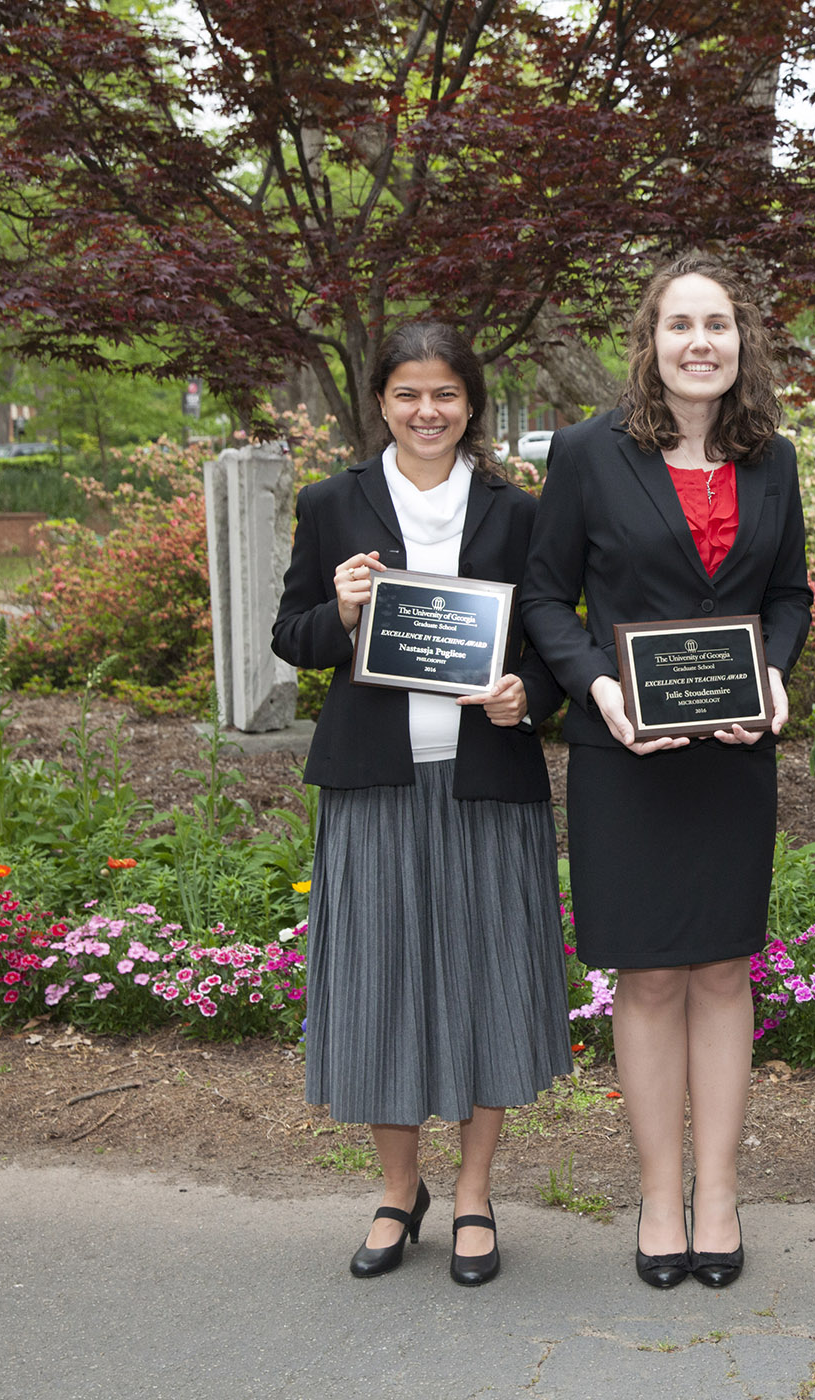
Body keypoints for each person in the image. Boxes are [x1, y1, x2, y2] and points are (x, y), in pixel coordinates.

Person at [520, 252, 809, 1291]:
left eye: (719, 324)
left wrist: (773, 676)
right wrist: (600, 689)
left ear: (742, 341)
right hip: (627, 758)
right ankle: (655, 1195)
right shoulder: (589, 454)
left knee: (725, 970)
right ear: (649, 340)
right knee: (646, 976)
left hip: (732, 759)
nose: (701, 342)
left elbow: (787, 594)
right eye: (681, 323)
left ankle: (720, 1193)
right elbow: (548, 597)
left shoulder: (770, 458)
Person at [271, 320, 573, 1288]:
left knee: (489, 979)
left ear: (472, 403)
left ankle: (478, 1190)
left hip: (486, 779)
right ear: (382, 403)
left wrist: (531, 694)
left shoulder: (519, 512)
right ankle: (400, 1190)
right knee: (380, 982)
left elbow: (551, 640)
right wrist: (345, 609)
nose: (427, 410)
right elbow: (293, 637)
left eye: (444, 392)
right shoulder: (333, 502)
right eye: (408, 393)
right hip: (376, 783)